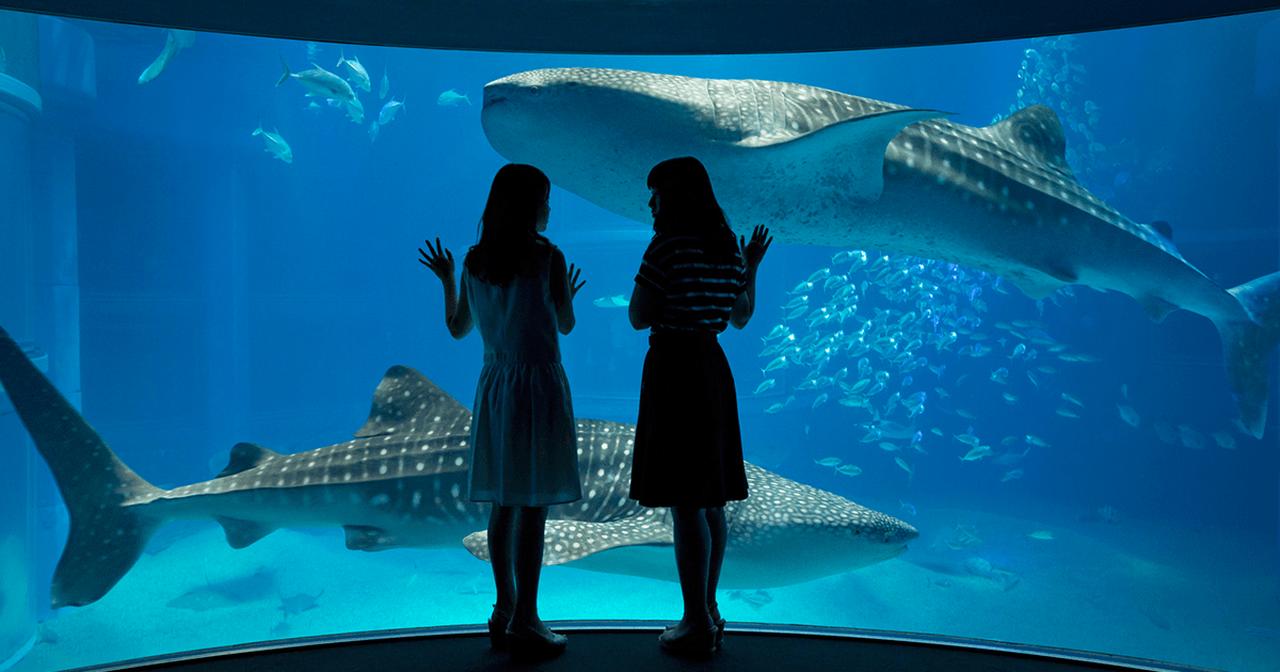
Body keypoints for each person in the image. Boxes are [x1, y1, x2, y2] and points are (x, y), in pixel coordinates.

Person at [418, 163, 586, 659]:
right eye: (545, 199)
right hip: (539, 386)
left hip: (496, 388)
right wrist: (569, 296)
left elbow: (457, 329)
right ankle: (528, 619)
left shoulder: (475, 260)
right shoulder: (548, 257)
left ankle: (503, 610)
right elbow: (566, 325)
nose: (549, 208)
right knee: (533, 505)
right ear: (531, 206)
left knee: (502, 505)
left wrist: (447, 280)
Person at [628, 156, 771, 656]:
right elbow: (741, 317)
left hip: (674, 369)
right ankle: (708, 610)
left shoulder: (667, 246)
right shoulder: (725, 247)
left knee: (685, 501)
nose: (651, 204)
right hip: (711, 368)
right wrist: (751, 266)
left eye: (656, 195)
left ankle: (693, 622)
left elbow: (638, 315)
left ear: (675, 197)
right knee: (711, 500)